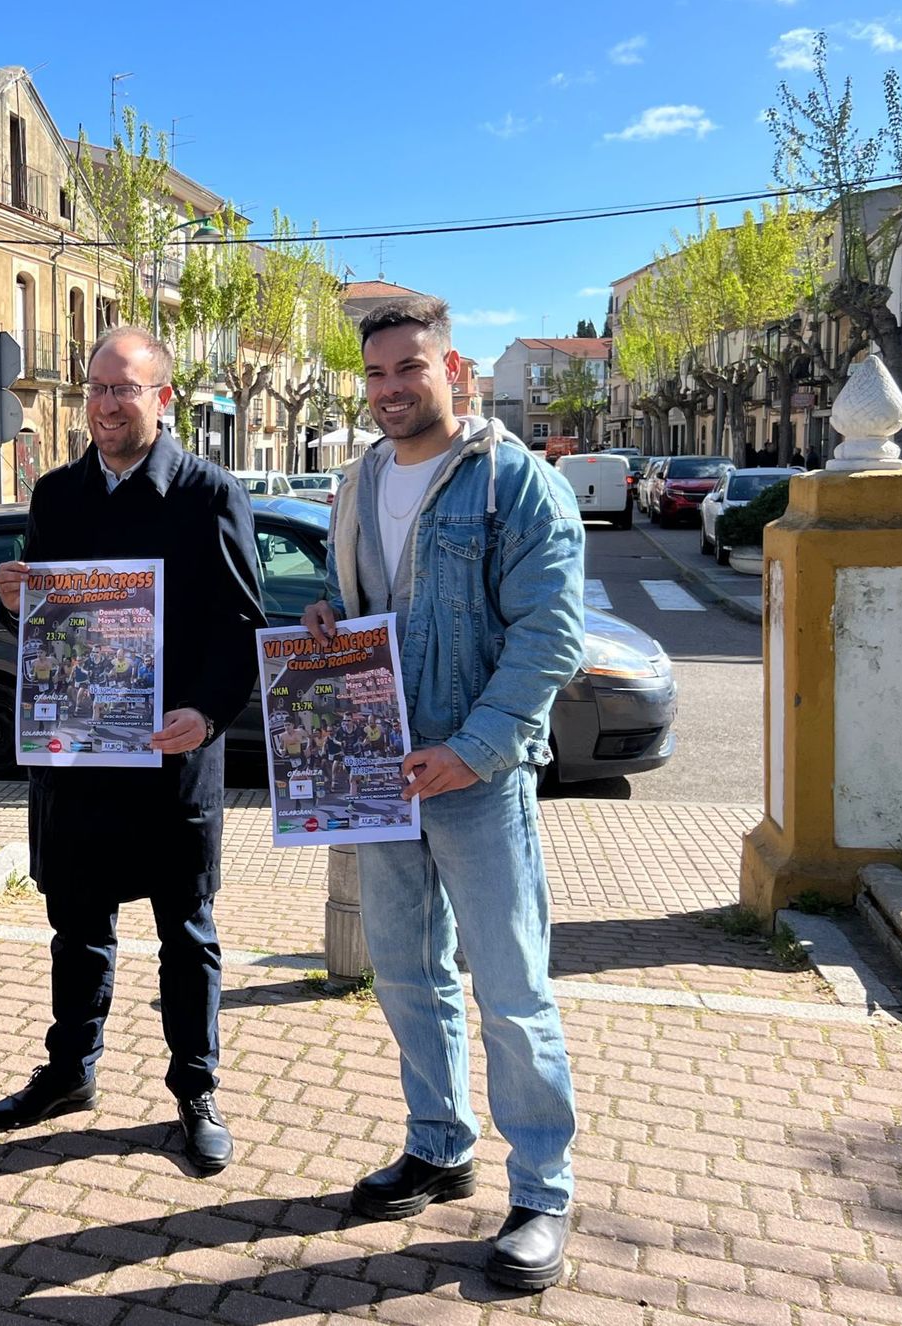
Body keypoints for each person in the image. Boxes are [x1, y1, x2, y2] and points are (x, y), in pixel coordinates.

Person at [301, 296, 585, 1293]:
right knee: (404, 973)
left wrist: (477, 748)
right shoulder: (357, 479)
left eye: (407, 370)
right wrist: (331, 622)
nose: (389, 390)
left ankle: (542, 1192)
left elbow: (549, 636)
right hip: (377, 776)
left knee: (510, 994)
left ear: (448, 365)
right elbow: (373, 608)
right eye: (375, 375)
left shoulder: (515, 484)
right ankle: (437, 1142)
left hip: (472, 780)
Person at [0, 326, 265, 1175]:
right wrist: (13, 603)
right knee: (76, 928)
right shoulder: (59, 492)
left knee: (187, 933)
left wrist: (209, 713)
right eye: (97, 388)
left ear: (162, 399)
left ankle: (196, 1088)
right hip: (77, 761)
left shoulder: (209, 493)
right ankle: (70, 1072)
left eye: (125, 389)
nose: (106, 404)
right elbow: (44, 624)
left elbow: (242, 625)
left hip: (174, 758)